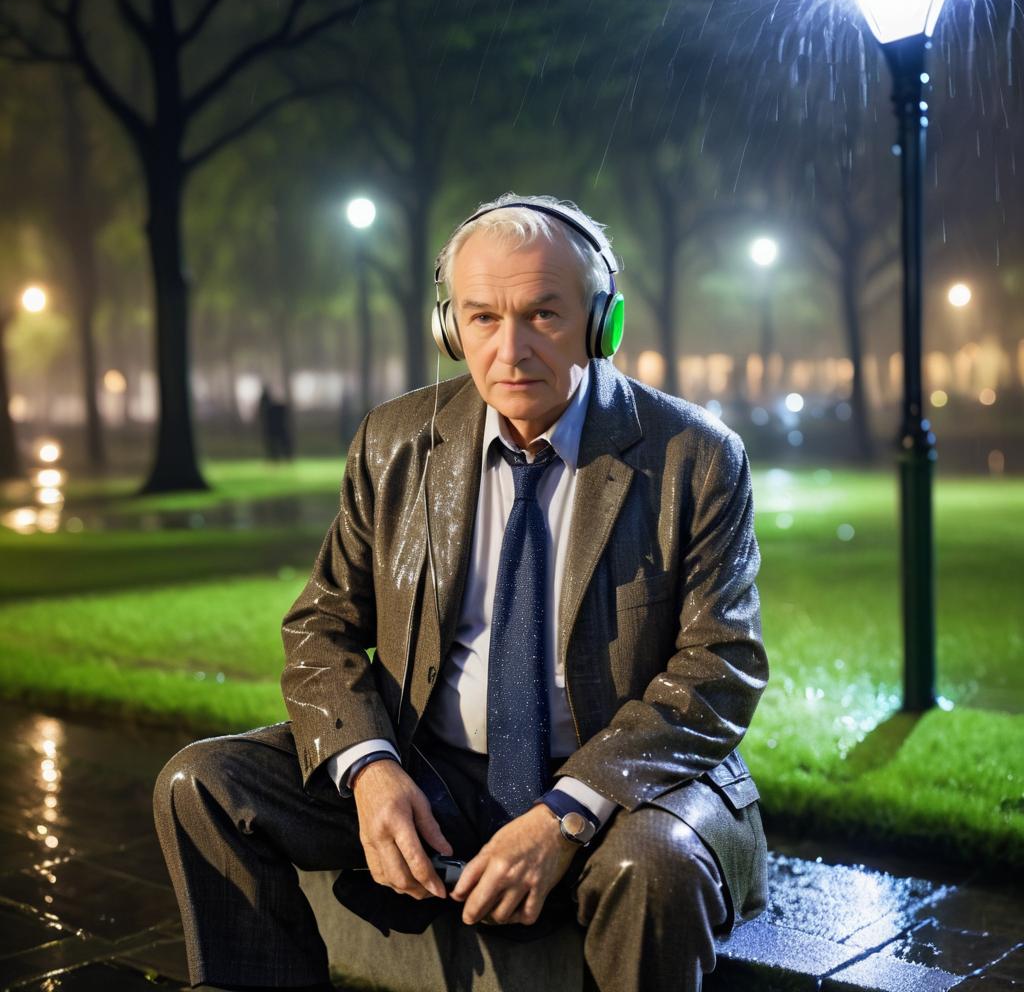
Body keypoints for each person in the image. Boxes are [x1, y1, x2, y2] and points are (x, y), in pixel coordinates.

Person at [153, 193, 769, 992]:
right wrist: (368, 768)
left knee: (652, 866)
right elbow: (321, 625)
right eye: (482, 318)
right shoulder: (395, 440)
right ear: (451, 329)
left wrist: (566, 811)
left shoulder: (696, 457)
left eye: (543, 314)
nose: (510, 350)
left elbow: (721, 666)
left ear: (602, 323)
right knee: (199, 786)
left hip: (619, 789)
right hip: (429, 770)